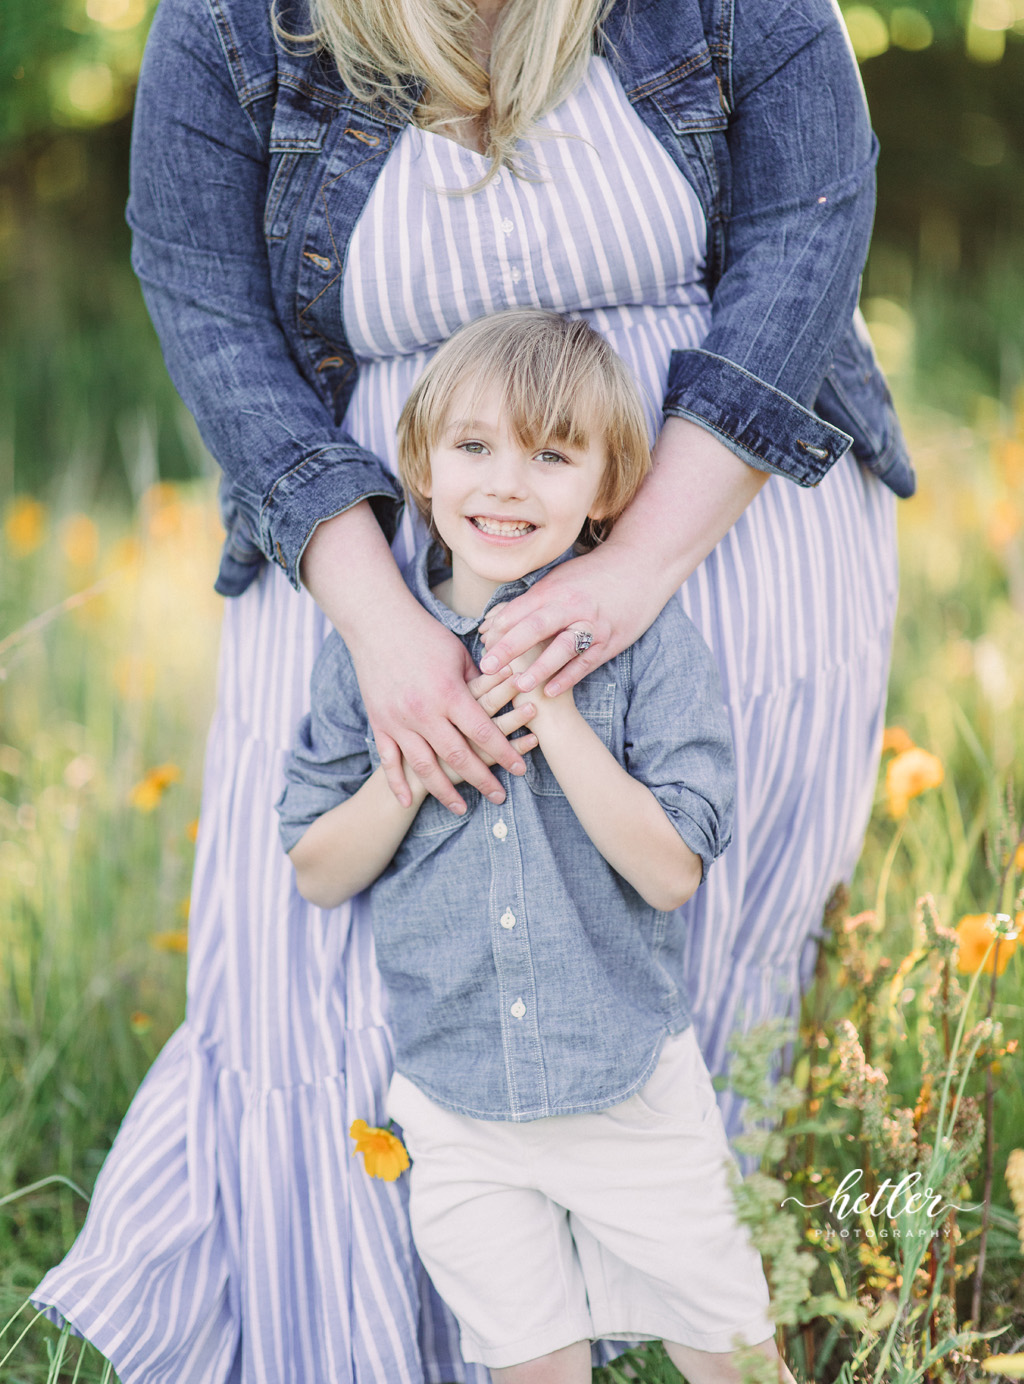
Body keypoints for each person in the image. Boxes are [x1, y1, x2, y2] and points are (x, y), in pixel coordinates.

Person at [34, 0, 911, 1380]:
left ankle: (702, 1319)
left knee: (682, 957)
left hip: (708, 506)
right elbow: (210, 317)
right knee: (311, 978)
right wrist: (385, 628)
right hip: (376, 538)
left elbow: (808, 245)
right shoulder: (227, 17)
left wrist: (633, 574)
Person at [277, 307, 791, 1384]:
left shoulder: (644, 643)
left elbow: (670, 869)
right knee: (528, 1364)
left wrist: (554, 715)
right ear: (421, 463)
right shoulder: (374, 658)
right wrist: (408, 759)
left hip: (627, 1088)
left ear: (606, 490)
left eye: (550, 456)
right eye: (474, 447)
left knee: (735, 1354)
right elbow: (317, 871)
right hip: (457, 1102)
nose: (506, 485)